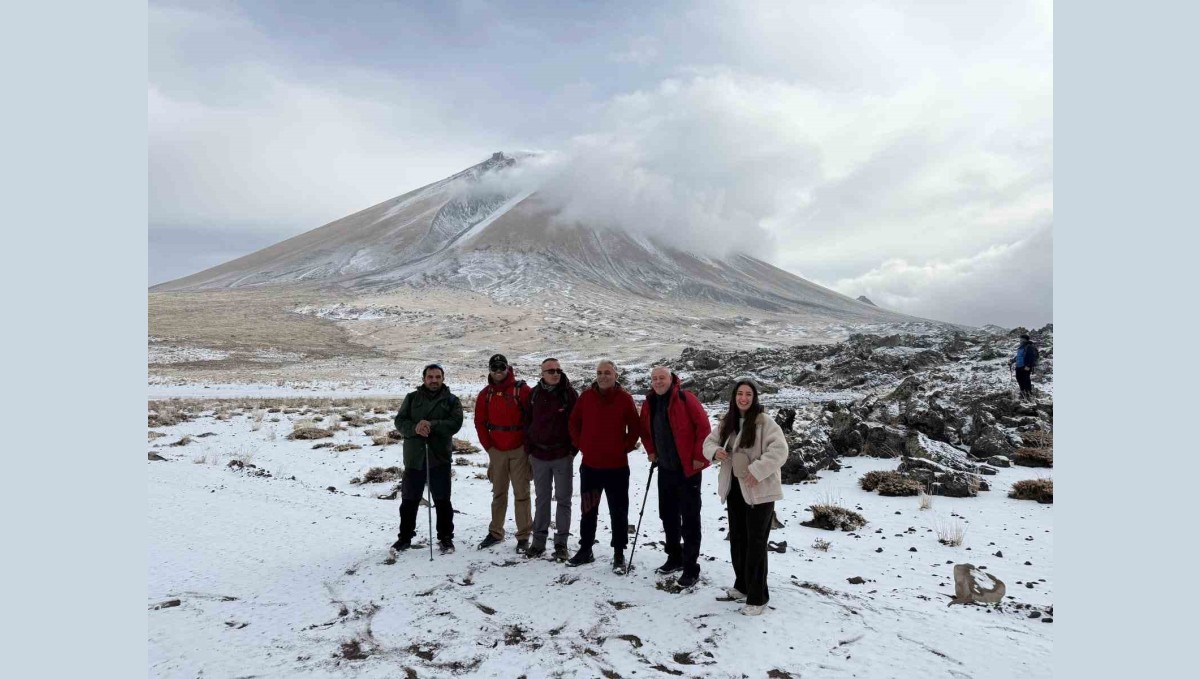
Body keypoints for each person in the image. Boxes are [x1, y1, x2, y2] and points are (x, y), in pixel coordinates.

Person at [702, 379, 788, 616]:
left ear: (754, 397)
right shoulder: (727, 422)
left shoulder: (764, 422)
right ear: (734, 397)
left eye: (748, 394)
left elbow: (780, 451)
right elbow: (708, 442)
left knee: (756, 544)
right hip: (735, 491)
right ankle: (742, 585)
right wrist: (715, 452)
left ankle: (758, 597)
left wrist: (757, 470)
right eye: (739, 393)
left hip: (759, 492)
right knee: (739, 540)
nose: (743, 398)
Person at [639, 367, 712, 587]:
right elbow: (645, 430)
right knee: (667, 516)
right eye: (654, 379)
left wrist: (700, 457)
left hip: (688, 470)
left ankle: (691, 567)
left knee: (690, 520)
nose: (658, 381)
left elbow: (703, 427)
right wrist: (651, 451)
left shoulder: (685, 398)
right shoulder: (649, 402)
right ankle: (674, 556)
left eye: (662, 378)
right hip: (665, 468)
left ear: (671, 380)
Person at [567, 359, 641, 571]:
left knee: (618, 511)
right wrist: (581, 444)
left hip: (617, 467)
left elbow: (634, 429)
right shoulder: (586, 397)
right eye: (599, 372)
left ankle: (619, 552)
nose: (603, 376)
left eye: (607, 372)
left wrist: (622, 448)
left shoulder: (625, 399)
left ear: (615, 375)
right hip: (590, 466)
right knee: (588, 510)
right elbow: (573, 423)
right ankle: (585, 549)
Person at [392, 363, 464, 556]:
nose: (434, 380)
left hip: (439, 457)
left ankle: (446, 537)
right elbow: (400, 421)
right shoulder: (412, 398)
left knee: (442, 501)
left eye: (437, 377)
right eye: (430, 377)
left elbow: (455, 423)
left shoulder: (451, 400)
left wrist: (431, 424)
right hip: (415, 457)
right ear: (424, 379)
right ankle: (404, 538)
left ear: (443, 378)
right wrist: (415, 428)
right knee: (409, 500)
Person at [474, 353, 534, 552]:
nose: (498, 371)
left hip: (519, 450)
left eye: (501, 367)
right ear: (490, 370)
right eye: (494, 368)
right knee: (498, 493)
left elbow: (534, 419)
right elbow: (480, 423)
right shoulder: (485, 395)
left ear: (508, 368)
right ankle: (496, 532)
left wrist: (528, 446)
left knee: (522, 494)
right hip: (496, 451)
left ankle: (524, 535)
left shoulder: (522, 391)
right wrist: (489, 447)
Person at [523, 357, 579, 561]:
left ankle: (561, 543)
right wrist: (529, 449)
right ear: (542, 373)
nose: (556, 373)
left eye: (558, 370)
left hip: (562, 455)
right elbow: (527, 422)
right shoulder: (534, 394)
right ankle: (538, 542)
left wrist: (573, 450)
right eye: (551, 371)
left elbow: (577, 422)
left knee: (563, 500)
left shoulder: (569, 394)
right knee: (542, 500)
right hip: (539, 455)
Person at [1009, 333, 1040, 400]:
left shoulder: (1029, 347)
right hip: (1019, 366)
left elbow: (1031, 357)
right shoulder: (1021, 347)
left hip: (1025, 367)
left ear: (1025, 340)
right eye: (1020, 339)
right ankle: (1023, 392)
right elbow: (1018, 356)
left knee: (1026, 380)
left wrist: (1028, 366)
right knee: (1019, 378)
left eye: (1022, 339)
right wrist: (1012, 361)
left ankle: (1028, 393)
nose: (1020, 340)